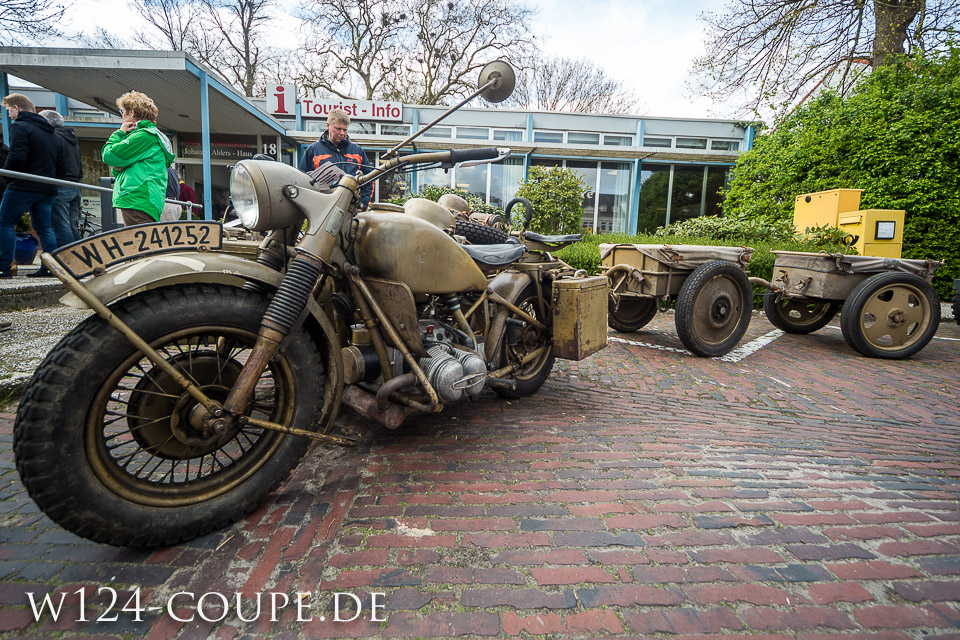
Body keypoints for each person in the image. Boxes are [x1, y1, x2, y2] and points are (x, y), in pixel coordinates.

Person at [0, 93, 63, 279]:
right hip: (47, 187)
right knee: (44, 227)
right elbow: (59, 163)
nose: (9, 115)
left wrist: (7, 176)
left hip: (23, 185)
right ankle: (51, 267)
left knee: (4, 222)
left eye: (9, 110)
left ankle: (4, 267)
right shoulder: (51, 132)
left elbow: (17, 156)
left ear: (16, 108)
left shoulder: (19, 127)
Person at [101, 91, 175, 226]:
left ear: (132, 112)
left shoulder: (143, 136)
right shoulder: (157, 136)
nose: (122, 115)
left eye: (123, 111)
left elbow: (109, 156)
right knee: (146, 243)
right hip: (148, 198)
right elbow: (119, 166)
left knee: (139, 244)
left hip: (136, 197)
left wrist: (119, 133)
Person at [298, 109, 372, 211]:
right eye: (338, 128)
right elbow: (303, 181)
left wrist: (363, 205)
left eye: (345, 130)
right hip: (322, 208)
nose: (342, 133)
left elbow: (368, 180)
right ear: (328, 126)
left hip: (351, 209)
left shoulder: (357, 151)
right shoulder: (314, 150)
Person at [39, 110, 83, 247]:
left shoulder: (53, 138)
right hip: (74, 185)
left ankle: (67, 262)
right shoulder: (72, 141)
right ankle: (79, 259)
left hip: (60, 184)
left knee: (61, 226)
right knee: (71, 225)